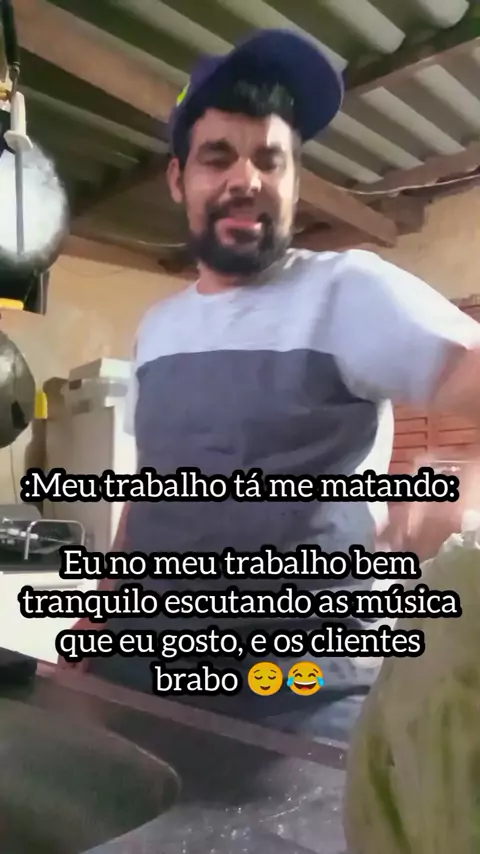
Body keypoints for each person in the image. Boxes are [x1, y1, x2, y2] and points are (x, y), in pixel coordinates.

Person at [61, 29, 480, 744]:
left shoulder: (348, 291)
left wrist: (455, 493)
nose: (245, 179)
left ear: (293, 181)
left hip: (304, 701)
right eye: (218, 157)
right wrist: (100, 616)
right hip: (146, 676)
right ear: (178, 180)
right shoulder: (158, 328)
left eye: (270, 159)